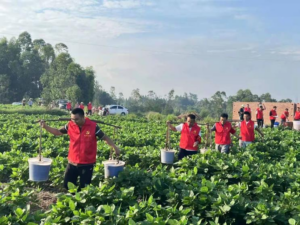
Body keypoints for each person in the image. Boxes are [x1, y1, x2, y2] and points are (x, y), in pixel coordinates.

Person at [40, 108, 120, 191]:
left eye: (76, 119)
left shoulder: (93, 126)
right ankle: (73, 200)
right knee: (67, 186)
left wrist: (115, 147)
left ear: (83, 117)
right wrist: (45, 126)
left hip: (87, 163)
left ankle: (81, 202)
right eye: (72, 119)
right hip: (72, 162)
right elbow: (57, 132)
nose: (74, 121)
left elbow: (105, 137)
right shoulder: (70, 125)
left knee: (84, 188)